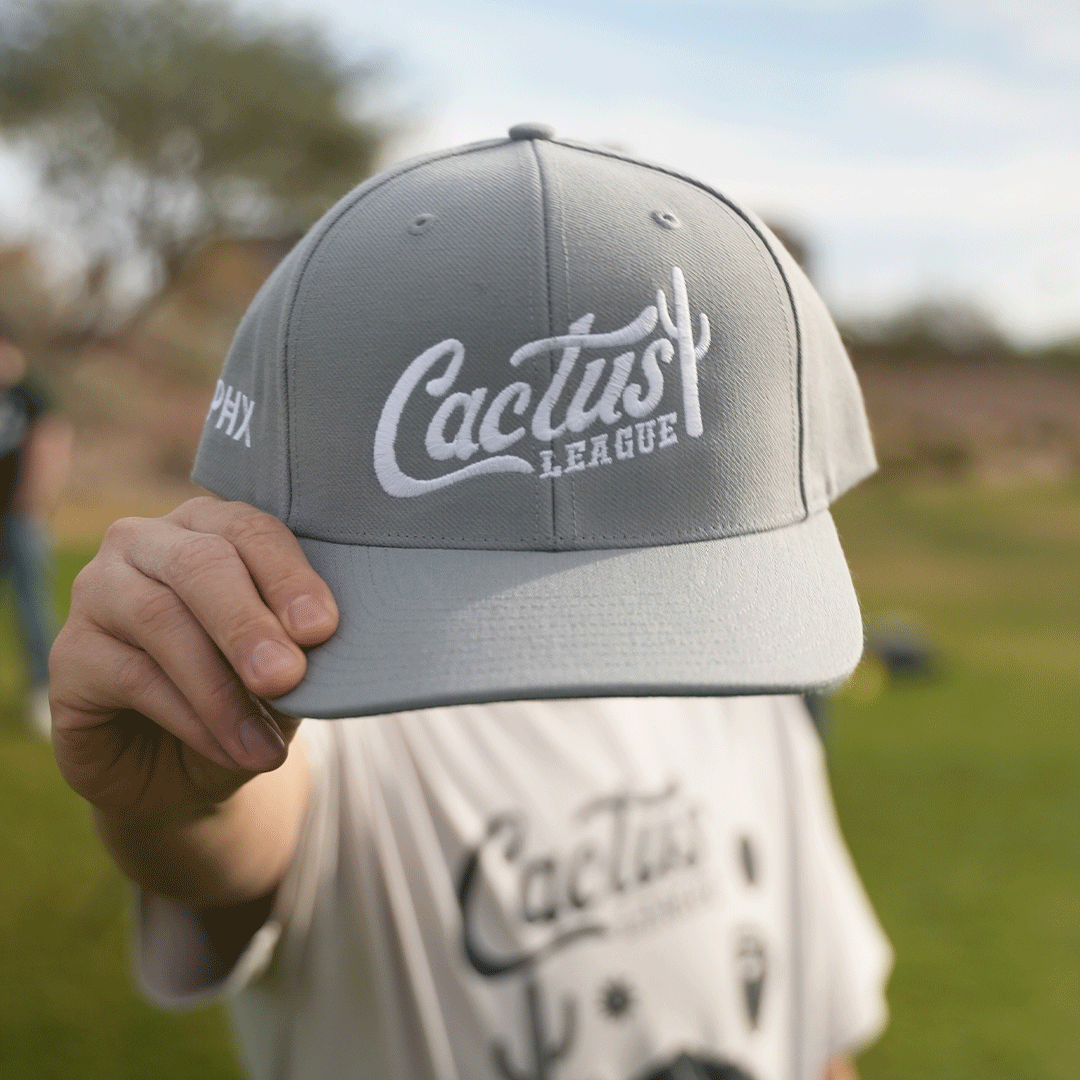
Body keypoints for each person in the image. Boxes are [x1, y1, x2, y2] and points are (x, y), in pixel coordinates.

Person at [50, 126, 892, 1080]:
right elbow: (231, 838)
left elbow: (813, 1018)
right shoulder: (330, 700)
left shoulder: (744, 674)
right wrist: (176, 800)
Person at [0, 319, 71, 737]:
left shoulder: (32, 393)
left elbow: (53, 445)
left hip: (21, 520)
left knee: (31, 606)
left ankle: (45, 693)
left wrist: (35, 501)